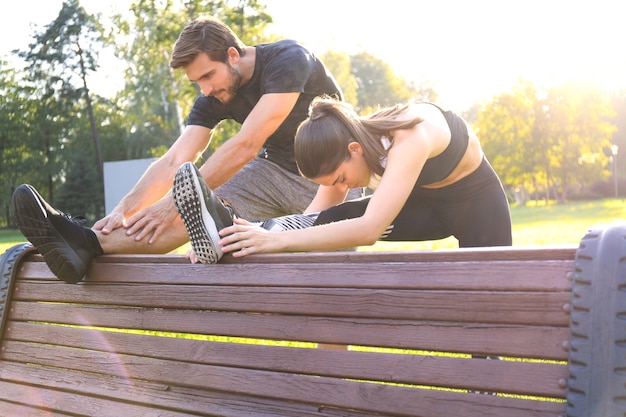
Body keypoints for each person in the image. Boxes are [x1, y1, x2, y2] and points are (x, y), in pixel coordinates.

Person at [11, 16, 359, 283]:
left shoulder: (288, 59)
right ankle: (83, 242)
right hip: (271, 174)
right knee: (192, 215)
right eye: (197, 82)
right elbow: (175, 159)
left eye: (208, 76)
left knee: (331, 280)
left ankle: (331, 374)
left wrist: (174, 200)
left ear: (233, 55)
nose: (204, 89)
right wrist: (125, 209)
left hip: (333, 177)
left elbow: (247, 144)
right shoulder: (214, 94)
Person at [172, 97, 512, 263]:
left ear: (354, 150)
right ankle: (225, 234)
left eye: (341, 178)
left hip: (477, 206)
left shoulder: (410, 136)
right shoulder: (350, 143)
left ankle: (487, 381)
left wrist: (273, 241)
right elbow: (316, 215)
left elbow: (369, 230)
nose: (344, 186)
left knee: (490, 299)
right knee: (335, 215)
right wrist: (253, 236)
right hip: (425, 207)